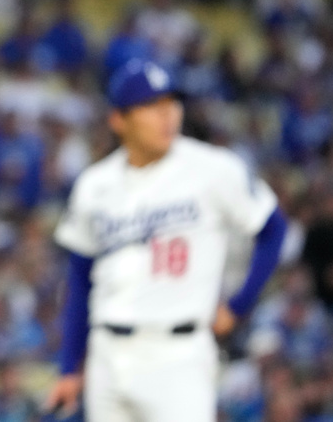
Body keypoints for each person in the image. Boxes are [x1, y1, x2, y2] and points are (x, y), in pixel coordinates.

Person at [44, 59, 288, 422]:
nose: (167, 115)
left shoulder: (213, 169)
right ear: (119, 120)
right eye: (151, 106)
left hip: (178, 354)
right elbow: (80, 279)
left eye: (171, 103)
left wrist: (238, 306)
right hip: (107, 353)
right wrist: (69, 367)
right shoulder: (94, 185)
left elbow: (274, 229)